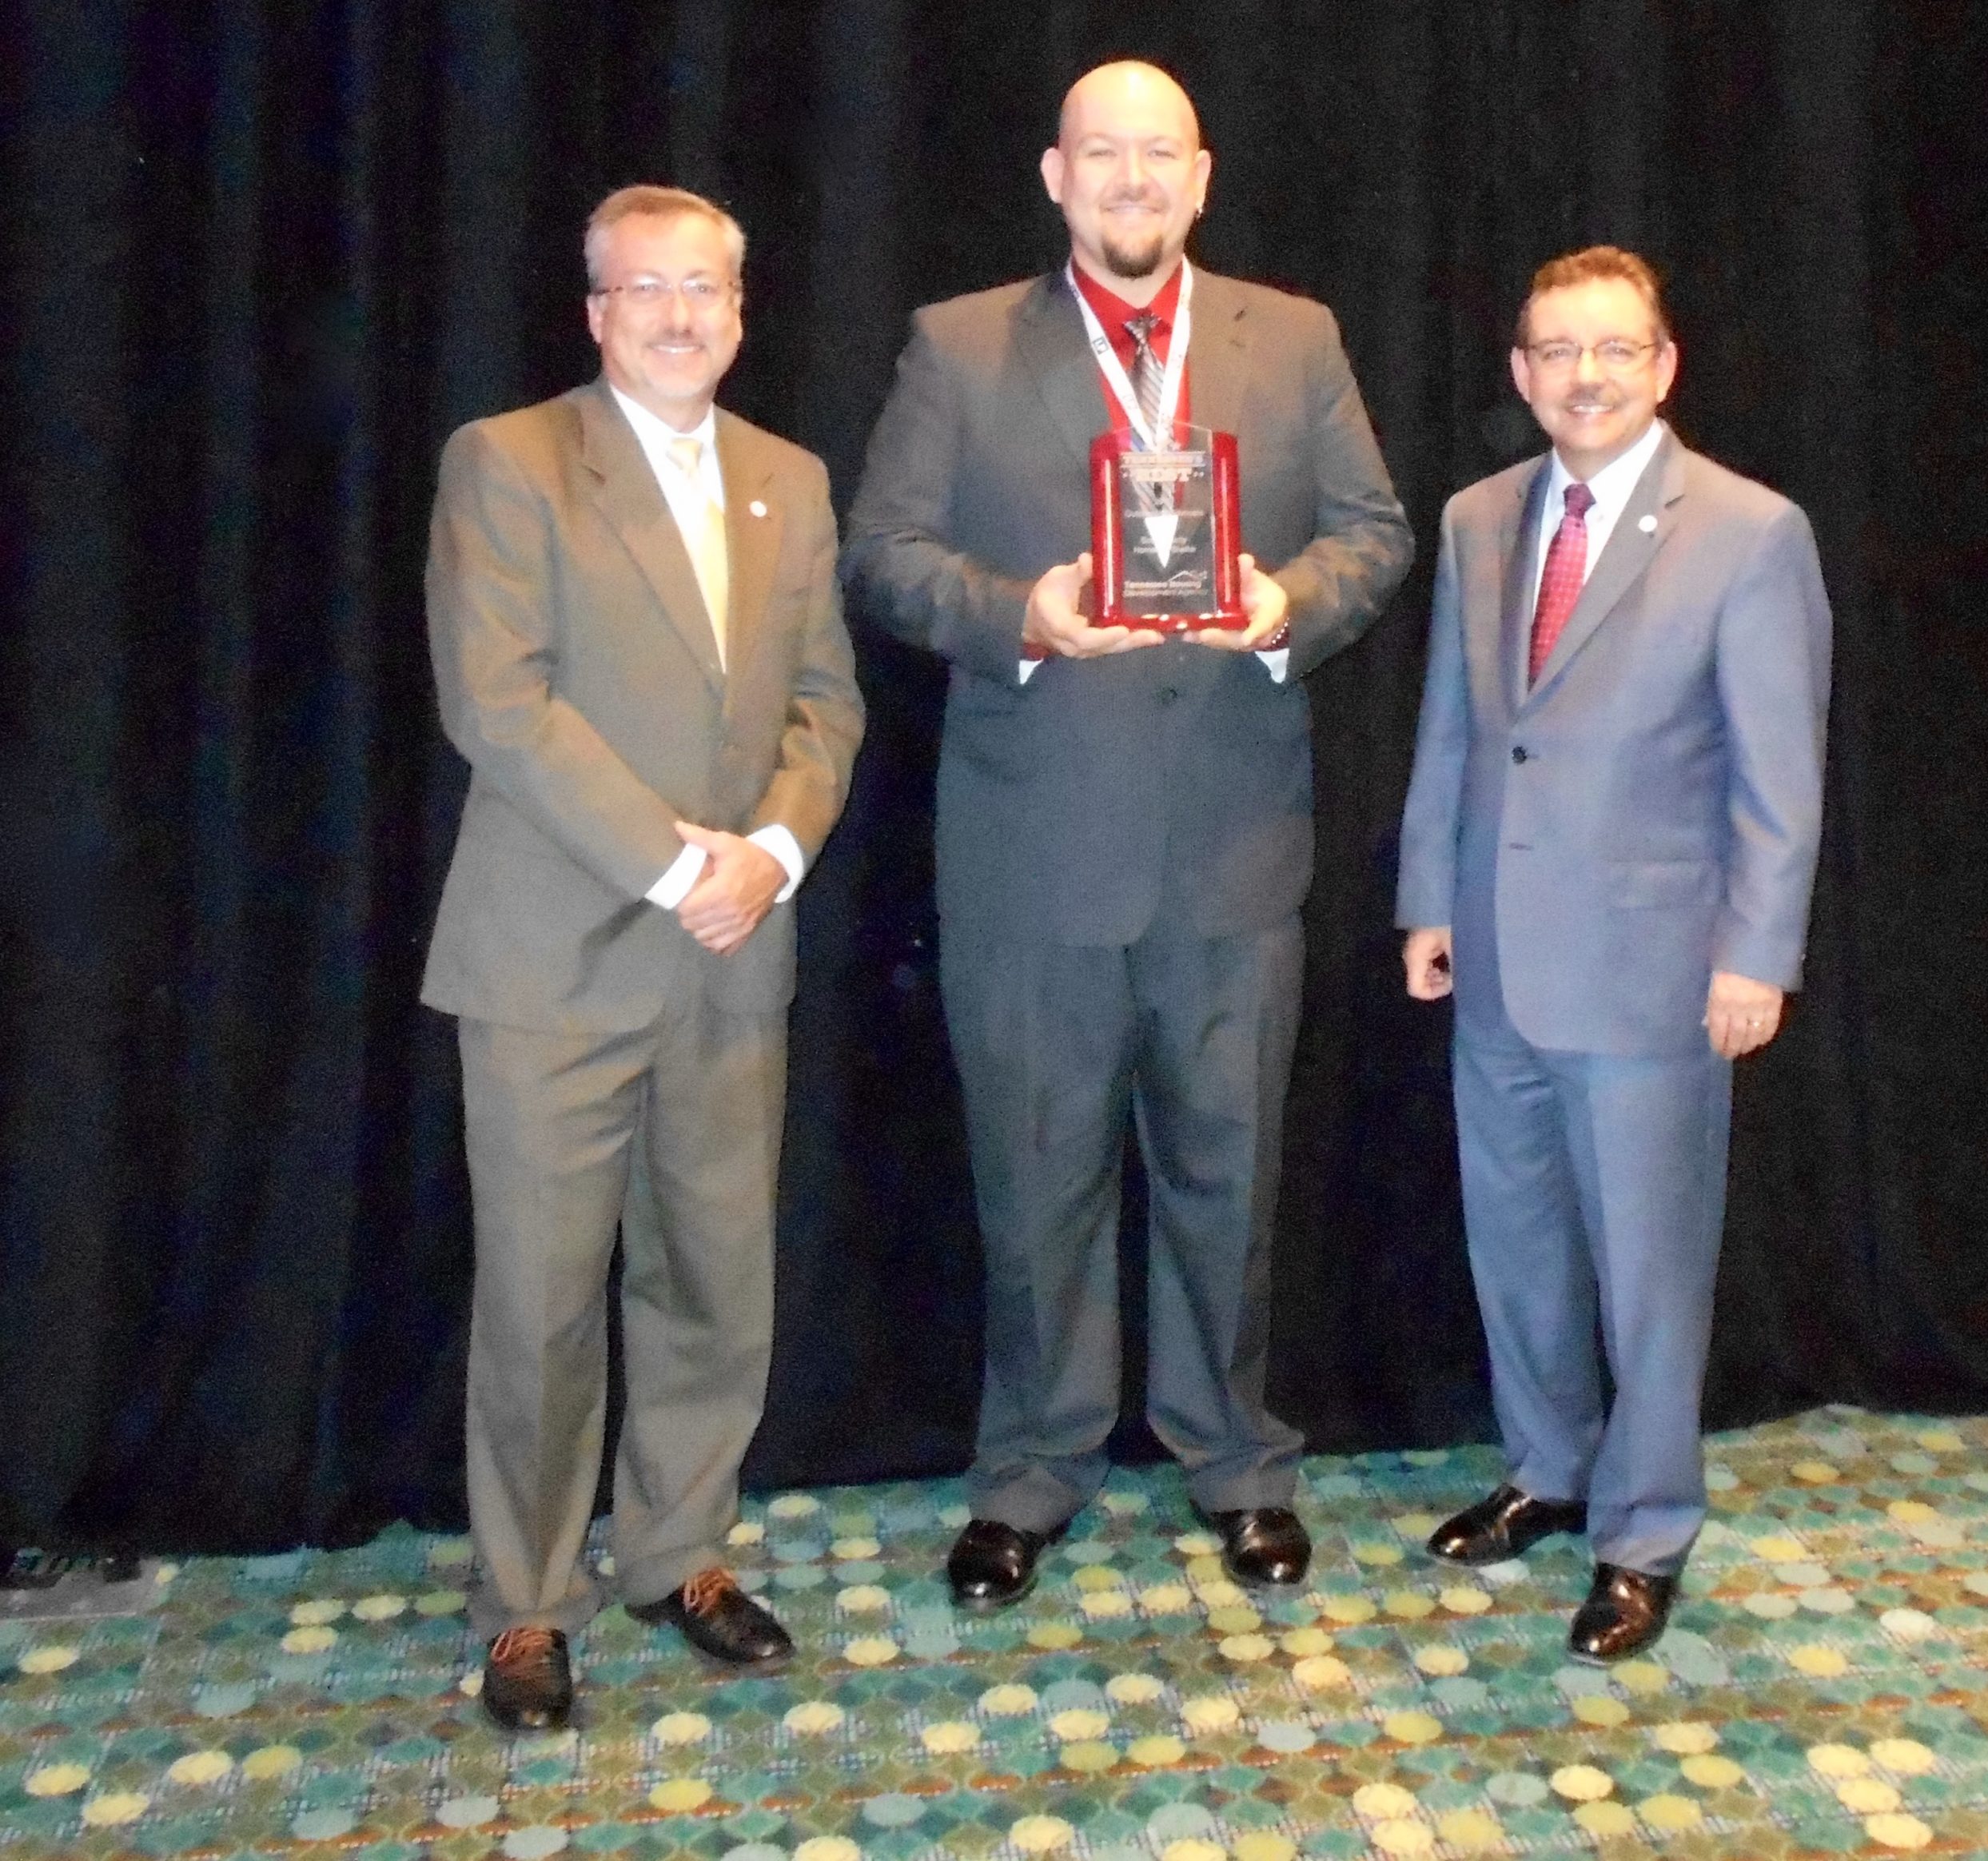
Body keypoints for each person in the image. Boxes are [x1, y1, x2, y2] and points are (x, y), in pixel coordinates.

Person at [843, 62, 1412, 1609]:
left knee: (1227, 1174)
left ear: (1201, 175)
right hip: (1033, 855)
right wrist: (1014, 617)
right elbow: (883, 556)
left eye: (1156, 153)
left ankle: (1236, 1460)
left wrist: (1285, 602)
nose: (1131, 178)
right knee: (1035, 1187)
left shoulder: (1290, 340)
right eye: (1103, 153)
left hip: (1233, 849)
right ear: (1053, 174)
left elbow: (1374, 531)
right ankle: (1030, 1470)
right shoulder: (956, 347)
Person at [421, 185, 864, 1728]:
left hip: (736, 951)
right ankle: (526, 1603)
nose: (682, 315)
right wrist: (685, 862)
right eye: (646, 290)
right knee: (541, 1302)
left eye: (707, 289)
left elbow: (827, 704)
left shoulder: (790, 479)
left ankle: (680, 1550)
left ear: (742, 310)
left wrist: (776, 854)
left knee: (712, 1279)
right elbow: (500, 704)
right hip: (559, 959)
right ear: (595, 310)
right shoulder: (510, 460)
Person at [1396, 246, 1831, 1662]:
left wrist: (1755, 956)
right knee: (1514, 1240)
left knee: (1649, 1267)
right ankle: (1547, 1468)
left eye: (1615, 350)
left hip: (1653, 970)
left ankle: (1645, 1529)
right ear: (1520, 372)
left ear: (1664, 364)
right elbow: (1458, 731)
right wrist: (1426, 901)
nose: (1585, 376)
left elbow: (1782, 775)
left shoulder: (1751, 533)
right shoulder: (1476, 518)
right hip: (1498, 961)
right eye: (1557, 352)